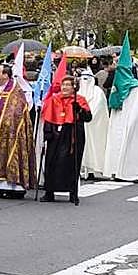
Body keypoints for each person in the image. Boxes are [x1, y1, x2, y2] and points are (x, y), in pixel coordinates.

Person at [0, 64, 35, 198]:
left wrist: (3, 123)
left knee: (10, 154)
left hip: (11, 133)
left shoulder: (16, 92)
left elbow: (19, 112)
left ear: (5, 75)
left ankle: (13, 188)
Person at [102, 35, 138, 182]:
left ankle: (134, 172)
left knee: (132, 146)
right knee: (116, 144)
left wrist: (130, 123)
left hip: (132, 124)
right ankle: (116, 170)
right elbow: (113, 103)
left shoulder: (136, 88)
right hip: (118, 120)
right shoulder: (116, 86)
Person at [41, 76, 92, 204]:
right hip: (56, 134)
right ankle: (49, 192)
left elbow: (88, 117)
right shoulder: (54, 99)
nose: (64, 87)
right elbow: (48, 117)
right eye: (63, 85)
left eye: (68, 85)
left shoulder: (80, 100)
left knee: (71, 164)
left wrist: (78, 109)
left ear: (74, 87)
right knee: (51, 162)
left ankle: (73, 192)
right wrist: (48, 133)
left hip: (72, 134)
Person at [77, 71, 110, 179]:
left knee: (95, 147)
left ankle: (94, 169)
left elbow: (98, 108)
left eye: (87, 79)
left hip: (95, 126)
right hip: (80, 125)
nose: (85, 81)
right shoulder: (77, 92)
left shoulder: (97, 92)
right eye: (83, 78)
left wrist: (87, 117)